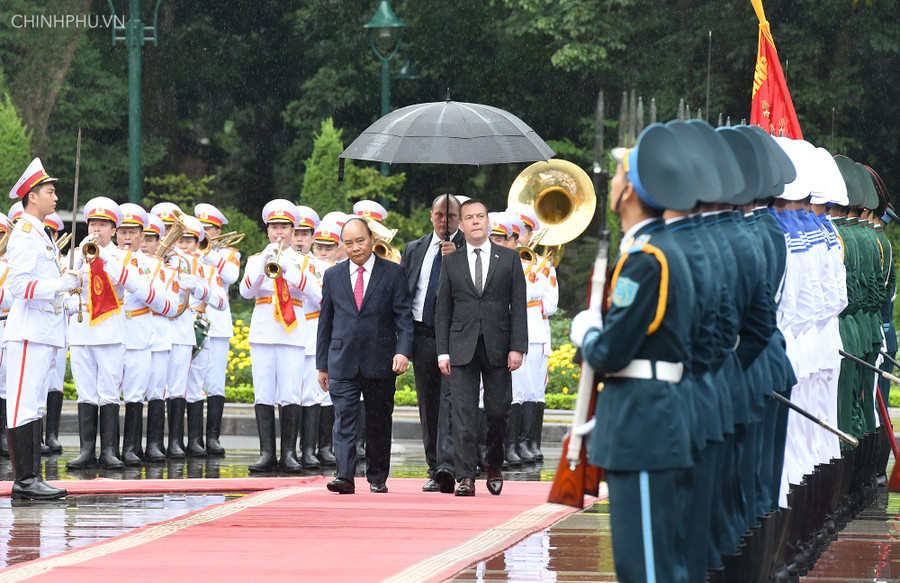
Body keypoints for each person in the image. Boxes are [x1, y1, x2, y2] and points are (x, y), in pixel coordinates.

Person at [570, 124, 697, 582]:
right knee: (657, 560)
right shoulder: (662, 249)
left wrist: (587, 334)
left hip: (644, 423)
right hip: (654, 416)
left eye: (619, 176)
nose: (614, 184)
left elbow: (611, 350)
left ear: (629, 193)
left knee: (644, 563)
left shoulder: (646, 258)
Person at [435, 199, 528, 497]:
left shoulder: (509, 259)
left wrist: (518, 347)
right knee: (462, 412)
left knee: (498, 411)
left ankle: (494, 464)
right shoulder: (451, 261)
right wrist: (442, 351)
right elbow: (443, 309)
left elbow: (519, 307)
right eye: (469, 218)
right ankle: (465, 476)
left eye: (480, 217)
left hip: (499, 346)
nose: (475, 222)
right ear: (461, 225)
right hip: (461, 345)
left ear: (488, 222)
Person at [317, 217, 413, 495]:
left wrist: (403, 351)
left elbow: (404, 318)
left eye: (360, 241)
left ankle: (377, 476)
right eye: (348, 243)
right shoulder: (333, 275)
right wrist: (322, 365)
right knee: (343, 418)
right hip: (342, 359)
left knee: (378, 420)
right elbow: (326, 321)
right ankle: (344, 476)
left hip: (380, 359)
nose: (355, 248)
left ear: (372, 239)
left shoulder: (393, 273)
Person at [4, 158, 77, 499]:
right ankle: (25, 481)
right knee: (22, 404)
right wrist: (59, 286)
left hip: (44, 331)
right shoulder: (23, 234)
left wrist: (66, 295)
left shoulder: (42, 235)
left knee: (34, 406)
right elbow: (19, 286)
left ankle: (32, 478)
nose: (56, 197)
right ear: (33, 196)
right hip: (28, 332)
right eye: (50, 191)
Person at [239, 199, 315, 473]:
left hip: (292, 332)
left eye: (285, 227)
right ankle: (266, 453)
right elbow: (245, 292)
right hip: (263, 333)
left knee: (291, 392)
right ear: (267, 230)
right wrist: (264, 265)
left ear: (294, 231)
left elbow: (318, 295)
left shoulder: (303, 262)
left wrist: (290, 269)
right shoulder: (256, 260)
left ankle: (289, 453)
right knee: (264, 393)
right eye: (274, 227)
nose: (279, 233)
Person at [401, 194, 464, 492]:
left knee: (451, 401)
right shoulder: (414, 249)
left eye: (451, 216)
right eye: (440, 215)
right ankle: (432, 466)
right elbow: (405, 296)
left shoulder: (469, 248)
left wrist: (456, 259)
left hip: (453, 338)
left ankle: (448, 466)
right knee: (428, 404)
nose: (444, 221)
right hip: (422, 334)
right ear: (430, 215)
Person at [194, 203, 242, 456]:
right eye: (200, 229)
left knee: (215, 383)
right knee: (192, 382)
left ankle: (212, 437)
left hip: (218, 324)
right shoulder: (188, 250)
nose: (203, 234)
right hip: (191, 320)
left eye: (208, 229)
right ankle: (192, 439)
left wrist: (208, 252)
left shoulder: (229, 253)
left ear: (218, 229)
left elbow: (232, 276)